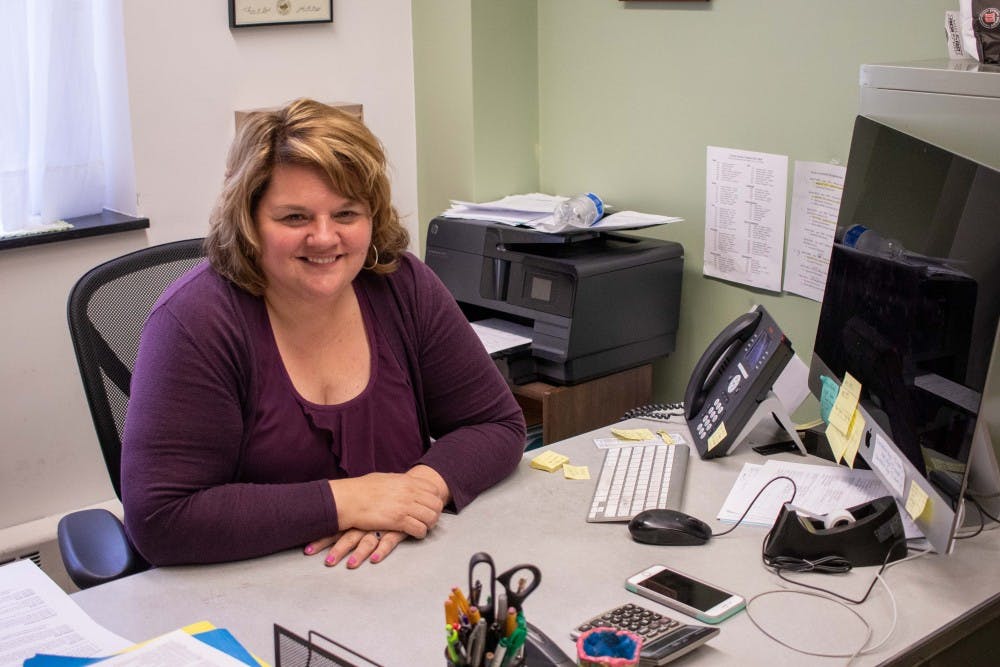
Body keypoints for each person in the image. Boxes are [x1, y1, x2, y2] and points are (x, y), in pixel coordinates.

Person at [121, 98, 526, 569]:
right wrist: (348, 501)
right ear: (249, 219)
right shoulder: (196, 322)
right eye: (294, 217)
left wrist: (415, 492)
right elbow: (161, 520)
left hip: (399, 572)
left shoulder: (400, 284)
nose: (324, 238)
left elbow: (496, 423)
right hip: (247, 589)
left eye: (347, 214)